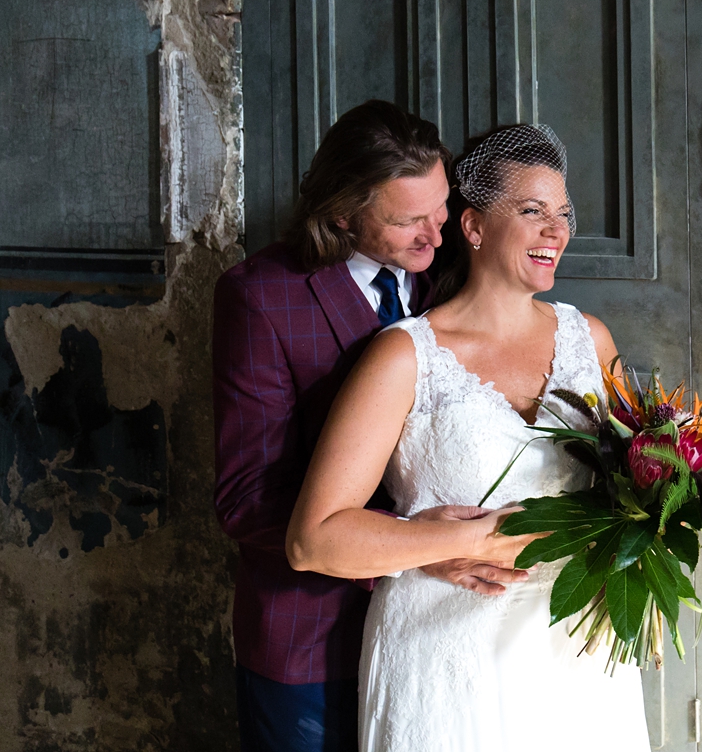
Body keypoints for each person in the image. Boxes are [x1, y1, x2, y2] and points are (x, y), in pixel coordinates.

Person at [286, 124, 648, 752]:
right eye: (532, 211)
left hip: (578, 650)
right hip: (444, 655)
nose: (556, 230)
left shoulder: (591, 341)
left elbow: (642, 480)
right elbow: (312, 540)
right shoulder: (405, 356)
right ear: (473, 226)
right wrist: (466, 540)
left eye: (563, 213)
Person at [212, 100, 526, 752]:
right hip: (312, 637)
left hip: (441, 631)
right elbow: (246, 499)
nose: (436, 235)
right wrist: (414, 545)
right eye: (408, 221)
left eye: (441, 209)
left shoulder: (450, 274)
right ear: (342, 215)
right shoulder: (260, 297)